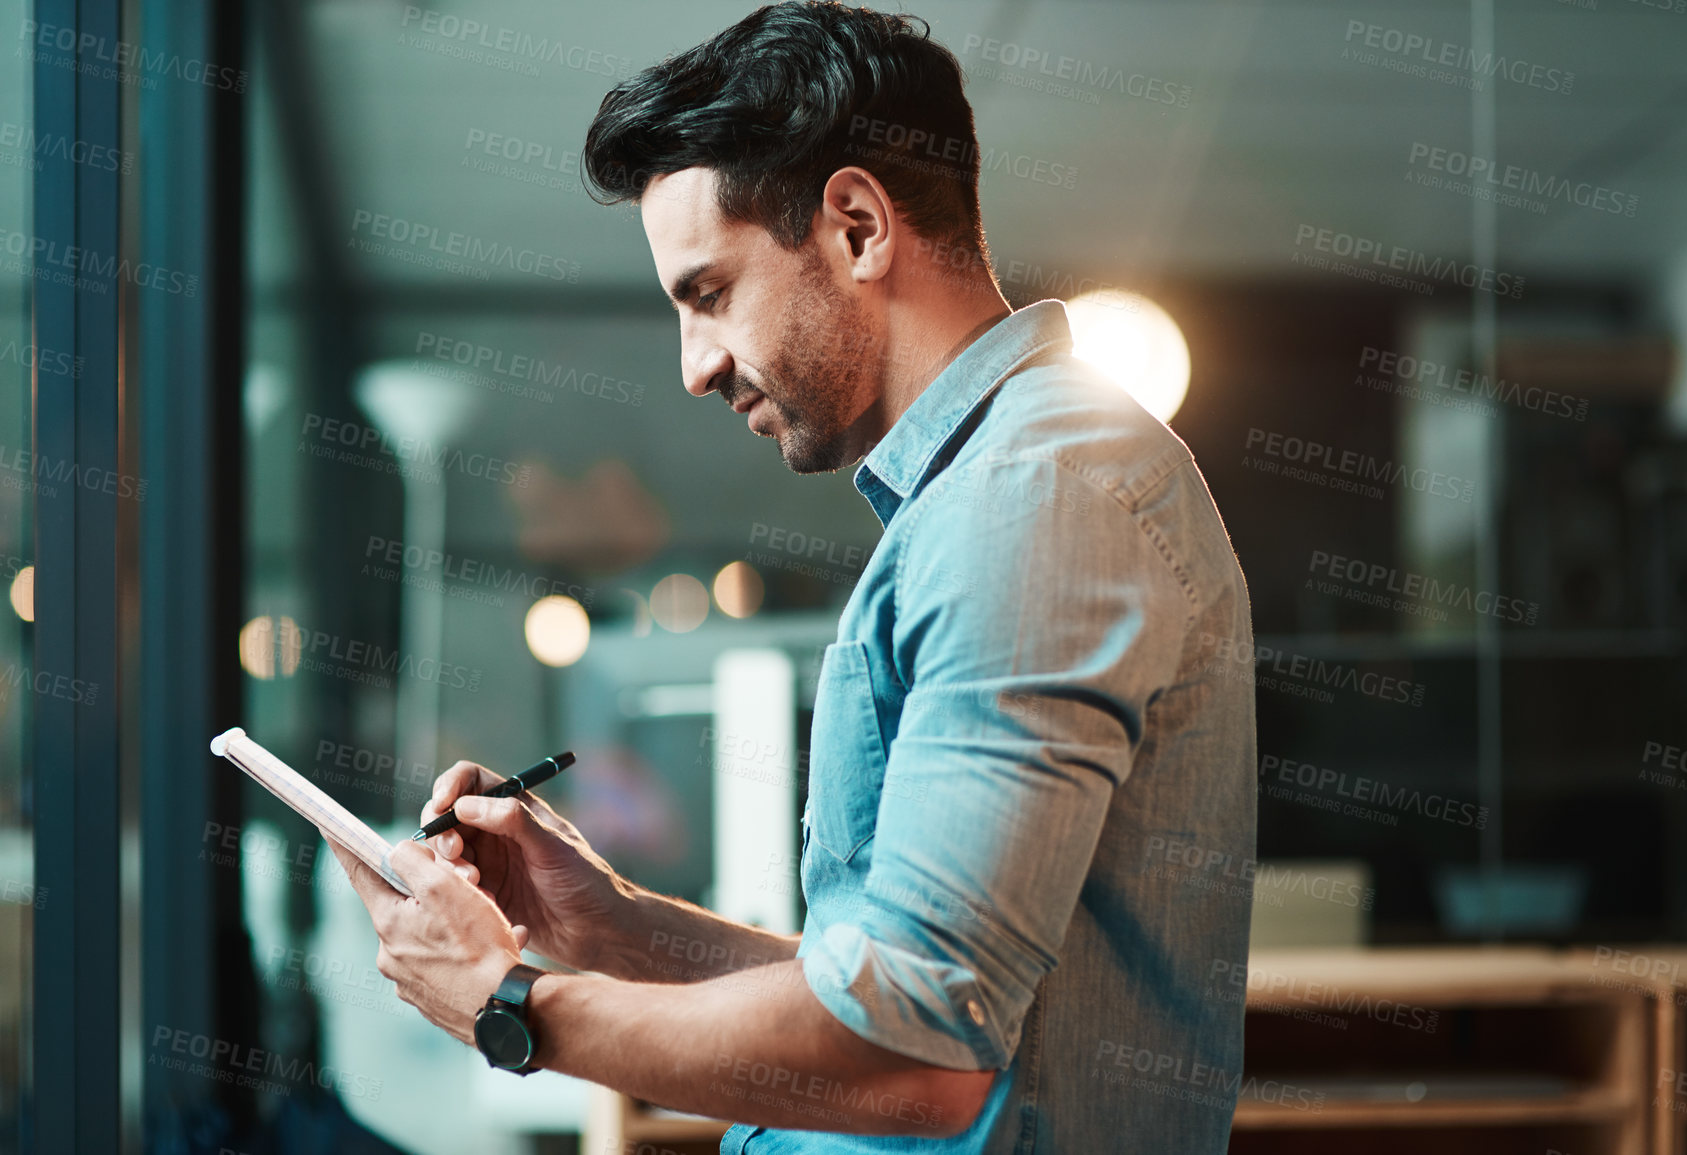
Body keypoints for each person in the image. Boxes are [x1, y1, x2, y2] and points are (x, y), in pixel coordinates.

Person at [327, 3, 1257, 1151]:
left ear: (859, 226)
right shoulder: (995, 492)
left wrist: (509, 1005)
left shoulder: (1036, 495)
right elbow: (901, 981)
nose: (694, 367)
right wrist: (616, 927)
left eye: (709, 294)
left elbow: (919, 1051)